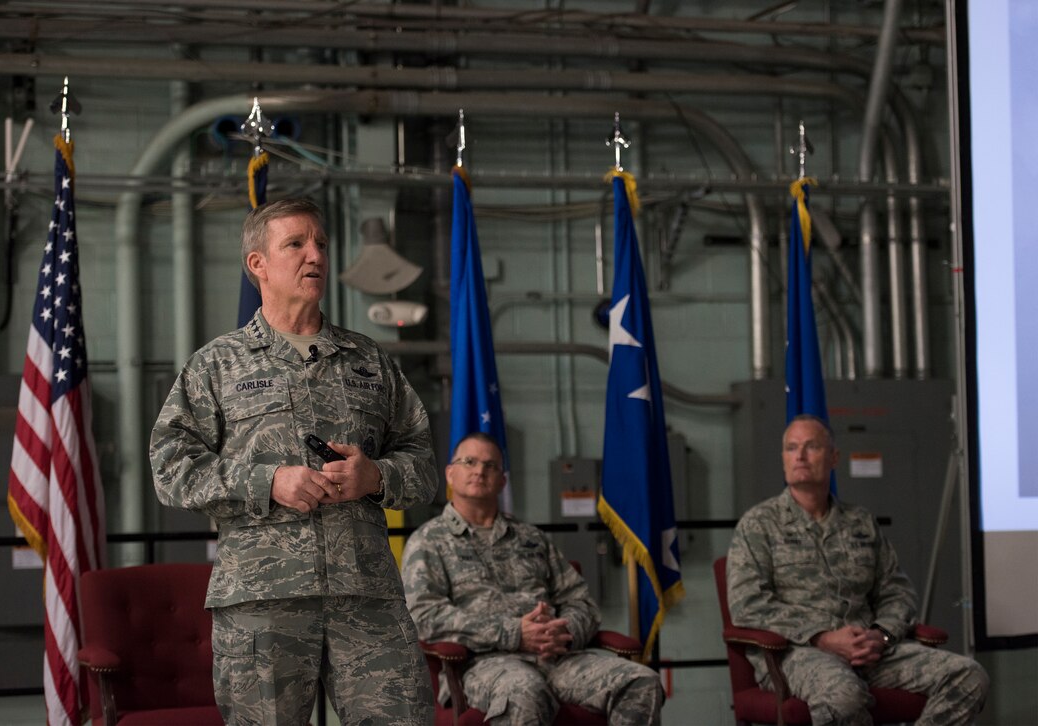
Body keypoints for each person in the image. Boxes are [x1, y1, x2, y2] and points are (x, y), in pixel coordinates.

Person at [150, 198, 437, 726]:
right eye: (296, 244)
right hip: (263, 599)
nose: (315, 256)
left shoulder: (370, 360)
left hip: (366, 594)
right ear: (258, 263)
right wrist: (267, 481)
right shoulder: (217, 364)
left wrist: (375, 476)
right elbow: (171, 470)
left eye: (321, 244)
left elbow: (422, 462)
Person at [726, 414, 989, 725]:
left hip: (870, 651)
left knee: (968, 675)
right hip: (799, 654)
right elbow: (747, 605)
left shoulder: (860, 522)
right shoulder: (758, 524)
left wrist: (883, 636)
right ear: (783, 458)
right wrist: (821, 636)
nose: (799, 455)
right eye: (791, 447)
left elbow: (897, 591)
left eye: (811, 446)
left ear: (834, 457)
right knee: (844, 696)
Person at [402, 432, 664, 725]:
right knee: (525, 692)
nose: (479, 471)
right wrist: (514, 632)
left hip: (558, 657)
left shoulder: (532, 538)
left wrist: (561, 634)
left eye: (491, 465)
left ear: (502, 481)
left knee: (641, 681)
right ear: (450, 474)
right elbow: (424, 616)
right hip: (485, 664)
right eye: (469, 462)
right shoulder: (427, 542)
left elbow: (580, 601)